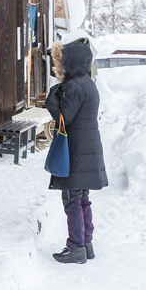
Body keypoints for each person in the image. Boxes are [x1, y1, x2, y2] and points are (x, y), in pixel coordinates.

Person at [44, 40, 108, 264]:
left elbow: (63, 118)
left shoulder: (72, 86)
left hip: (76, 151)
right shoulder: (88, 83)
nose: (59, 64)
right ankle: (86, 244)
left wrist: (51, 99)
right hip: (87, 148)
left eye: (61, 60)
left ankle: (76, 248)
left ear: (70, 62)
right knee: (82, 200)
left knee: (71, 200)